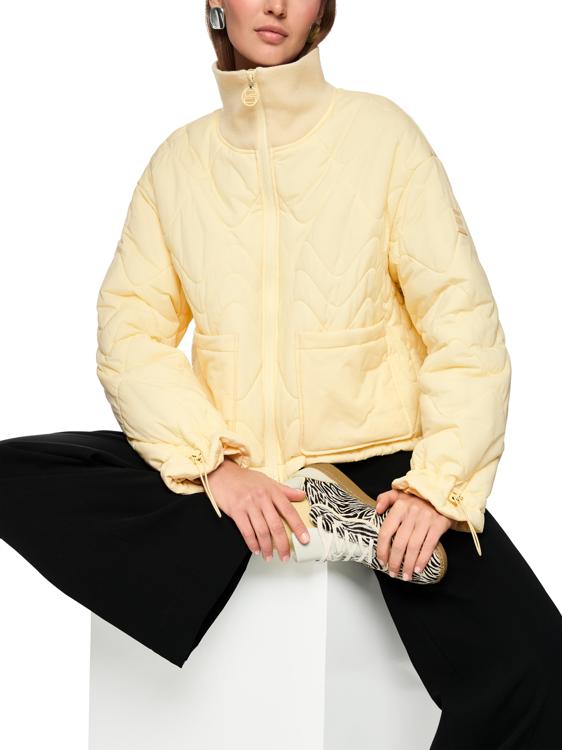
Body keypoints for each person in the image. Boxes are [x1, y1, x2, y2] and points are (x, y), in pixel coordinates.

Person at [1, 1, 561, 747]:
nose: (275, 6)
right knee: (19, 472)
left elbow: (464, 325)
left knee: (538, 670)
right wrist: (213, 465)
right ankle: (272, 531)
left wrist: (438, 487)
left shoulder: (382, 136)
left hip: (375, 473)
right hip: (236, 473)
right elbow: (129, 334)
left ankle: (332, 525)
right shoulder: (178, 164)